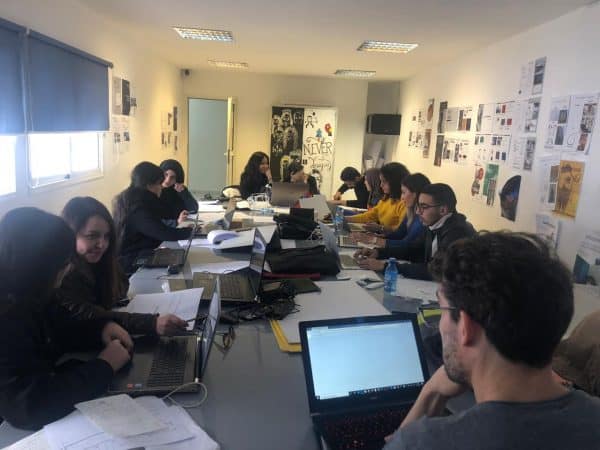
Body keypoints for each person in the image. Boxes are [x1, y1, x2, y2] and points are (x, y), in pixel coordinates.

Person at [384, 232, 600, 450]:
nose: (441, 323)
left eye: (442, 309)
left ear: (465, 327)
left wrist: (431, 392)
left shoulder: (422, 442)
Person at [0, 208, 132, 429]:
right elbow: (27, 406)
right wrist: (104, 366)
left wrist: (100, 330)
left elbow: (60, 328)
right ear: (37, 266)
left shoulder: (31, 293)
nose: (68, 268)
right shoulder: (7, 315)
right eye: (62, 263)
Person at [59, 197, 187, 336]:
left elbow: (120, 291)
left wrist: (109, 266)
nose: (102, 244)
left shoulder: (98, 260)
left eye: (106, 236)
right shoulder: (62, 274)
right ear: (70, 234)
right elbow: (90, 316)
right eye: (92, 236)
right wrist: (152, 323)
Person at [356, 183, 475, 279]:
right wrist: (379, 253)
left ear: (443, 210)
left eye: (424, 207)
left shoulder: (457, 233)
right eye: (418, 206)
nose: (418, 212)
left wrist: (386, 266)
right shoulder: (433, 224)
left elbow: (436, 270)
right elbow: (411, 249)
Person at [113, 161, 193, 275]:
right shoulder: (136, 208)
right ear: (149, 185)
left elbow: (166, 217)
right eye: (159, 183)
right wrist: (192, 232)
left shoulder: (139, 199)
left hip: (142, 253)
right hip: (131, 264)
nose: (161, 187)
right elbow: (163, 232)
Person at [353, 173, 429, 248]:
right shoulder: (410, 212)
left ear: (415, 194)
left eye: (403, 192)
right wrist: (378, 237)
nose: (402, 198)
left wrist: (375, 240)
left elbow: (406, 245)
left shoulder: (421, 219)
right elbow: (398, 234)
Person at [346, 162, 409, 232]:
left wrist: (380, 228)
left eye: (384, 181)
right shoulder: (386, 199)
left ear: (395, 182)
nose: (381, 185)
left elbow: (402, 230)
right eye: (381, 181)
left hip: (389, 238)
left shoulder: (404, 203)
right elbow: (370, 215)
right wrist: (345, 219)